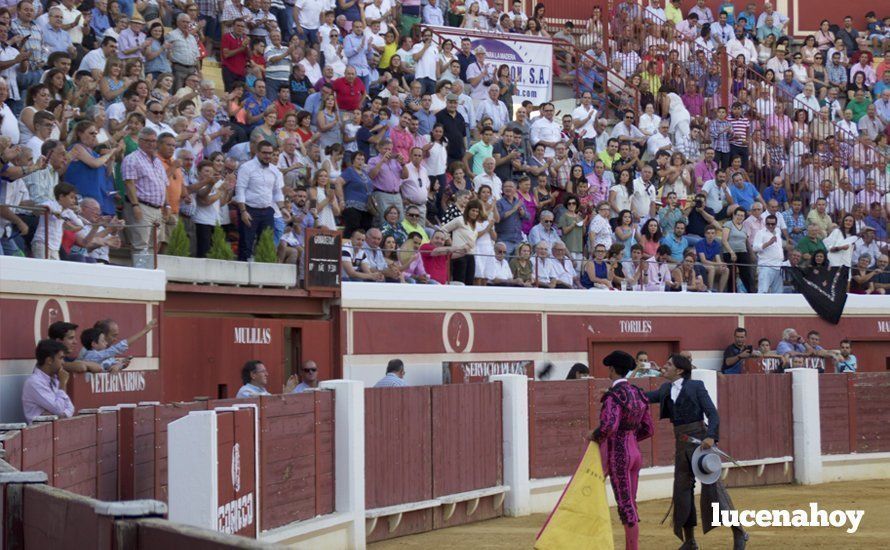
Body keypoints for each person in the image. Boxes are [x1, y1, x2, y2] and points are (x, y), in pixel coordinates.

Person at [645, 354, 748, 550]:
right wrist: (616, 391)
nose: (663, 367)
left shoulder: (696, 386)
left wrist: (711, 436)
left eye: (668, 364)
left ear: (680, 370)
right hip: (681, 444)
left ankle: (739, 532)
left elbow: (713, 413)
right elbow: (644, 397)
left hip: (701, 443)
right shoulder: (666, 389)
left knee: (715, 489)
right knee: (682, 492)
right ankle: (690, 541)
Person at [589, 350, 653, 550]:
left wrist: (594, 436)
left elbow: (609, 426)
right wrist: (632, 438)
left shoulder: (614, 396)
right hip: (635, 454)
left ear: (611, 369)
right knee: (630, 502)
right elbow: (649, 429)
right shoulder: (638, 393)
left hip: (619, 456)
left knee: (625, 506)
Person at [22, 339, 74, 424]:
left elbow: (71, 408)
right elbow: (59, 408)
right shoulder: (34, 382)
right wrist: (63, 383)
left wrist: (59, 415)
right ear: (49, 360)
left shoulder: (54, 379)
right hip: (38, 434)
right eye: (60, 358)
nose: (63, 362)